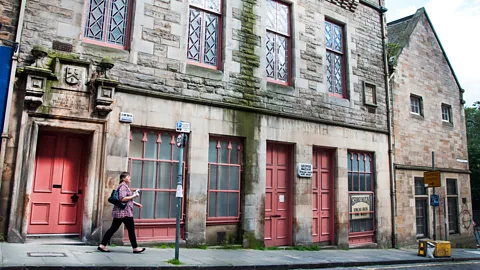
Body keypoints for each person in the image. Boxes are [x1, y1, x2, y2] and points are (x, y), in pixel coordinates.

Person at [97, 172, 145, 253]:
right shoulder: (123, 186)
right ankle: (135, 248)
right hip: (125, 212)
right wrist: (134, 196)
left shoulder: (124, 186)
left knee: (113, 229)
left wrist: (136, 204)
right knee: (131, 229)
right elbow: (122, 199)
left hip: (120, 212)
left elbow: (126, 199)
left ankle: (102, 245)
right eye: (128, 177)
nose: (130, 178)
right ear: (123, 178)